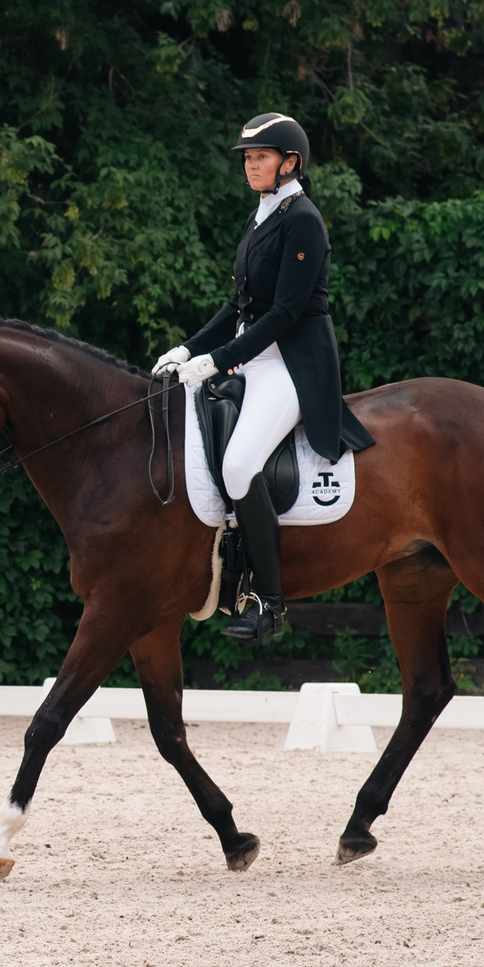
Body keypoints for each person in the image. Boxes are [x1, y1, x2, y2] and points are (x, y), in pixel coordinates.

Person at [154, 114, 375, 643]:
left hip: (292, 365)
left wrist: (219, 360)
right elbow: (240, 304)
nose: (251, 165)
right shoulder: (263, 215)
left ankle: (268, 604)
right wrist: (188, 347)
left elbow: (286, 312)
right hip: (254, 355)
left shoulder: (303, 219)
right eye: (248, 158)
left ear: (290, 162)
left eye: (261, 157)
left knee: (237, 465)